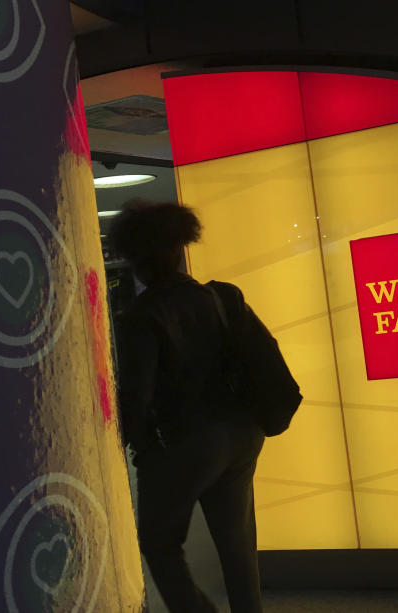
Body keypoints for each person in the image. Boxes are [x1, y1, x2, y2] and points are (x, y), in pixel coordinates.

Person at [110, 201, 265, 613]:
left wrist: (142, 448)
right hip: (242, 434)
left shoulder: (142, 316)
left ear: (136, 258)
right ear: (181, 247)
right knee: (237, 546)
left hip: (189, 442)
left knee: (160, 543)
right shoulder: (217, 297)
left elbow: (137, 393)